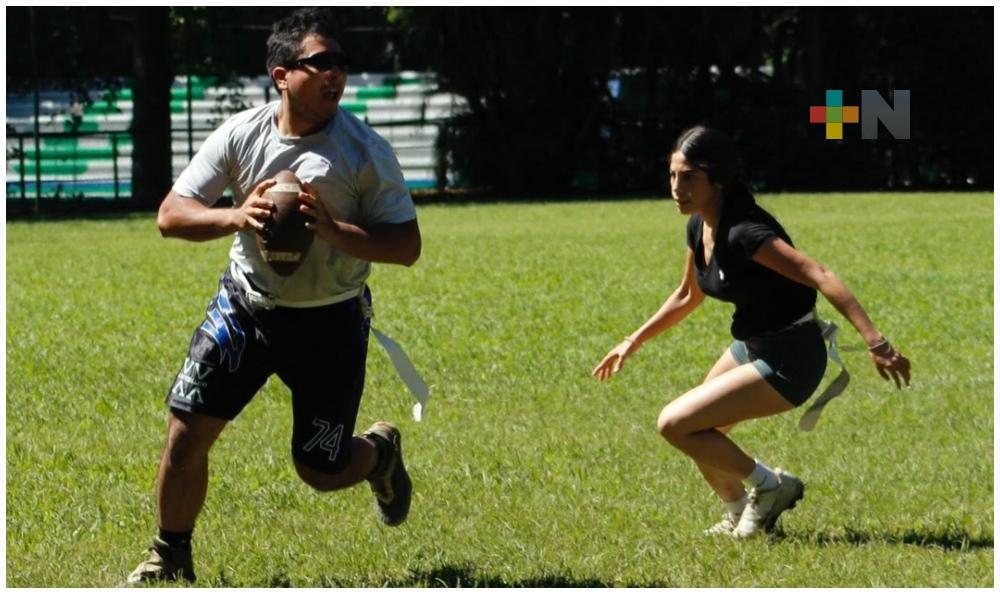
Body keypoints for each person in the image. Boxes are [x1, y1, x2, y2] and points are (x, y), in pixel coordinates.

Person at [127, 8, 422, 584]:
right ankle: (170, 556)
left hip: (330, 323)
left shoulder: (365, 150)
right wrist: (238, 214)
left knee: (320, 468)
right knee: (186, 435)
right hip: (246, 308)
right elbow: (170, 215)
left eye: (342, 63)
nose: (336, 74)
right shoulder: (241, 134)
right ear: (282, 74)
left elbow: (407, 246)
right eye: (321, 63)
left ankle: (380, 454)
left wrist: (336, 232)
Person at [592, 125, 911, 539]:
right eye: (672, 175)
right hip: (752, 345)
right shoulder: (699, 225)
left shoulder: (746, 233)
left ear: (718, 182)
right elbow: (688, 294)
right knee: (702, 436)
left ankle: (771, 487)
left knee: (675, 423)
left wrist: (877, 342)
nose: (676, 187)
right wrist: (631, 341)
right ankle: (741, 512)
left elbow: (820, 274)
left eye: (689, 177)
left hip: (792, 357)